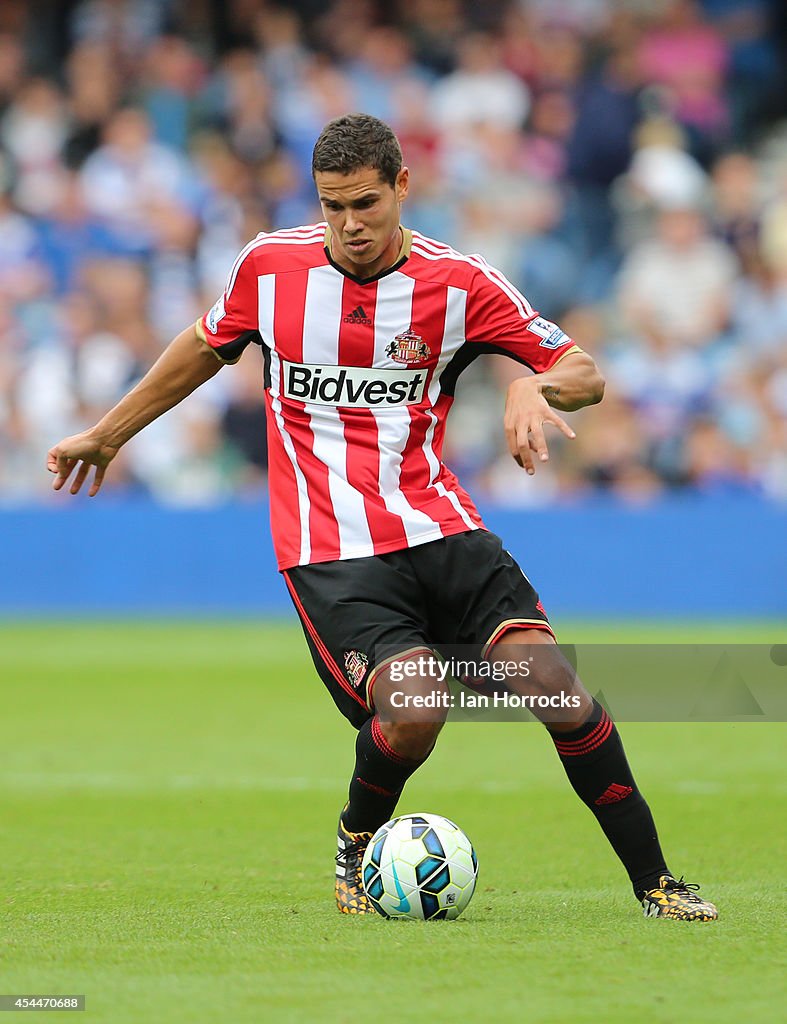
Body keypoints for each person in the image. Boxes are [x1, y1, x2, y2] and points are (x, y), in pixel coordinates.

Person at [47, 113, 718, 922]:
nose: (349, 225)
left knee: (558, 691)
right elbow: (201, 344)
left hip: (441, 527)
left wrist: (530, 386)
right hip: (331, 550)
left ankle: (657, 886)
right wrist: (107, 435)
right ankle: (357, 840)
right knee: (417, 706)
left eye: (364, 203)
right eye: (331, 205)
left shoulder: (461, 282)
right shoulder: (269, 267)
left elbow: (583, 371)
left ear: (402, 185)